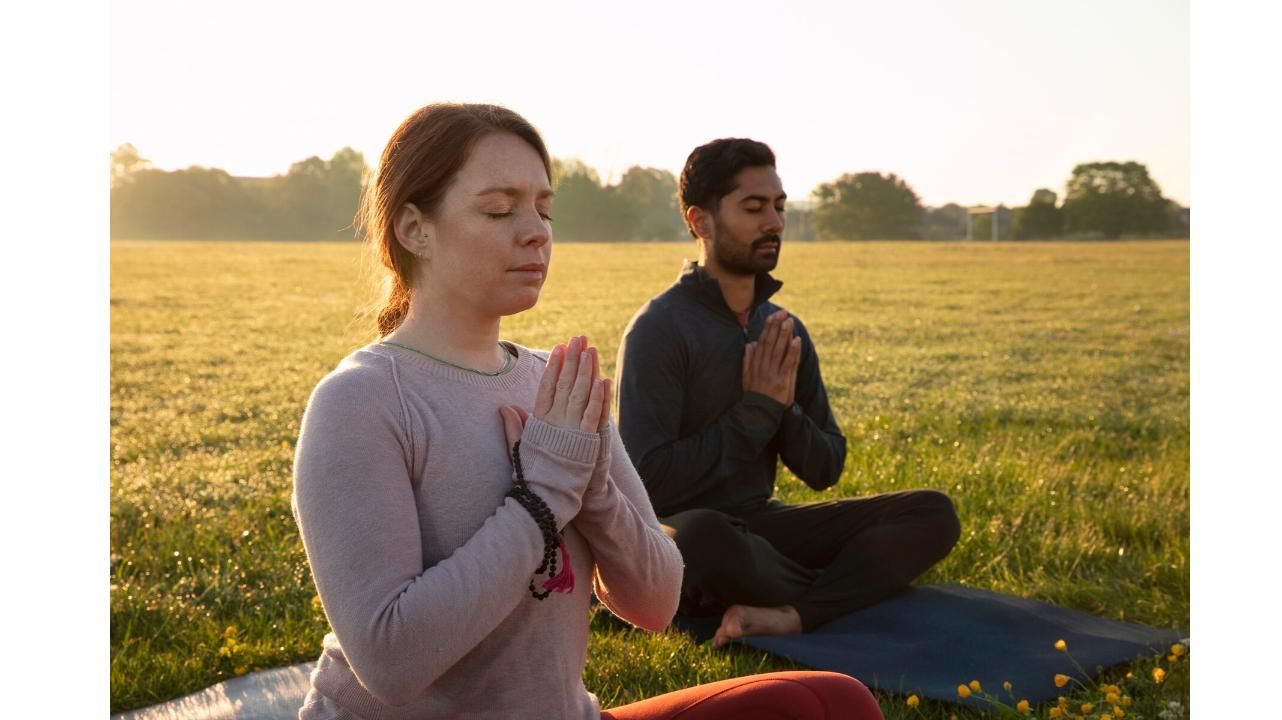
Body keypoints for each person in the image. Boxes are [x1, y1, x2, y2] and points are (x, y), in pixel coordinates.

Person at [292, 104, 883, 719]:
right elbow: (391, 663)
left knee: (832, 703)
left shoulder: (556, 384)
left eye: (543, 209)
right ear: (414, 228)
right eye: (500, 209)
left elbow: (657, 603)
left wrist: (593, 487)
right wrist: (542, 497)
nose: (536, 231)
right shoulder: (363, 400)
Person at [615, 137, 962, 650]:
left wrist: (783, 408)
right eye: (753, 207)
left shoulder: (783, 330)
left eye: (779, 206)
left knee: (931, 512)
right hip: (684, 536)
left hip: (764, 531)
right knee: (703, 536)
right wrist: (756, 411)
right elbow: (647, 484)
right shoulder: (659, 329)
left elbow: (825, 468)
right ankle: (846, 588)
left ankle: (793, 613)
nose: (774, 223)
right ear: (700, 221)